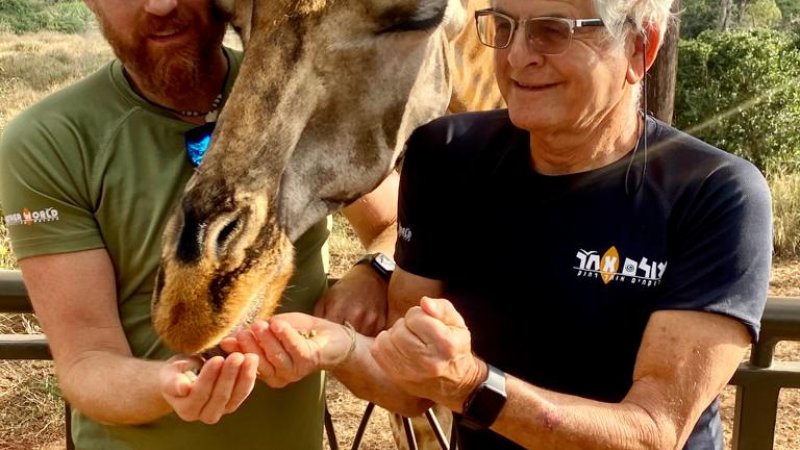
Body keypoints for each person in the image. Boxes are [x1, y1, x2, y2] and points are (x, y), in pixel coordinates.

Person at [220, 0, 773, 449]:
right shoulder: (446, 157)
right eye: (504, 26)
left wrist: (471, 384)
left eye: (554, 31)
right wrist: (337, 348)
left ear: (640, 47)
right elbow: (412, 385)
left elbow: (653, 432)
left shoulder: (715, 194)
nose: (517, 56)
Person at [0, 0, 397, 448]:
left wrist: (375, 270)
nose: (161, 5)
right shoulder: (48, 141)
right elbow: (86, 360)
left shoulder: (303, 103)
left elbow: (396, 220)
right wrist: (170, 386)